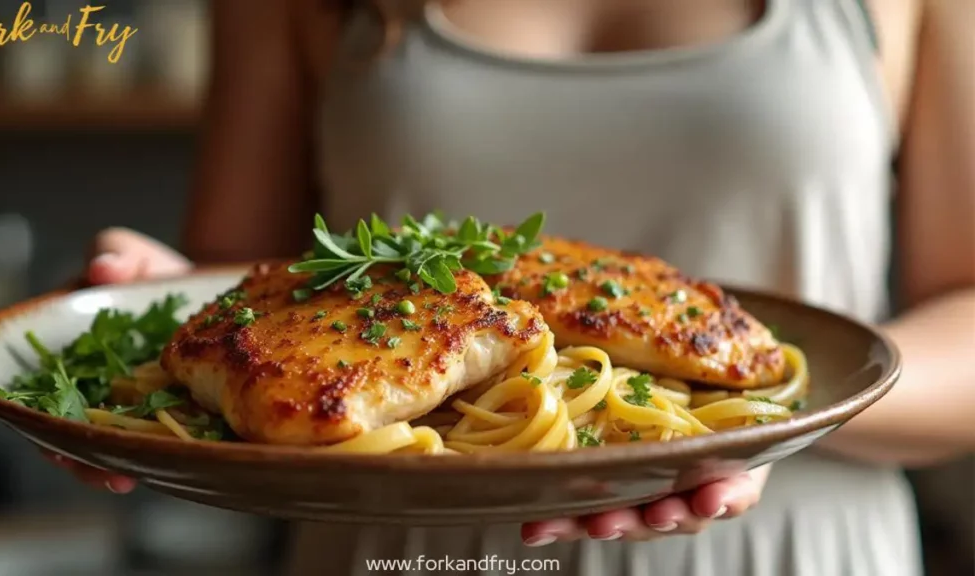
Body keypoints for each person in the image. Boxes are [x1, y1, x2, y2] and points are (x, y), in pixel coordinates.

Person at [51, 0, 975, 574]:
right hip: (404, 559)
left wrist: (774, 419)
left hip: (798, 552)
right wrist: (147, 316)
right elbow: (244, 275)